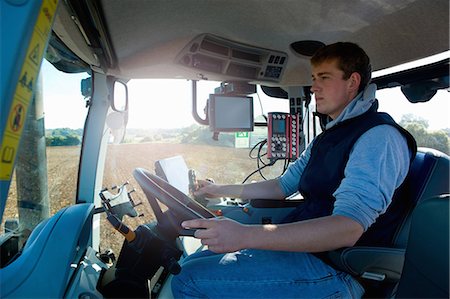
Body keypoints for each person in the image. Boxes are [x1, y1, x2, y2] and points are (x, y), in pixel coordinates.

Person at [171, 42, 417, 298]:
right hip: (309, 253)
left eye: (324, 77)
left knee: (186, 280)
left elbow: (348, 227)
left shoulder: (378, 138)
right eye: (313, 78)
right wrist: (217, 189)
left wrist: (246, 235)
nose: (314, 87)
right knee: (190, 264)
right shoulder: (328, 137)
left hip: (339, 269)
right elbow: (282, 186)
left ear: (352, 82)